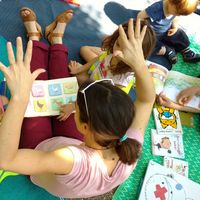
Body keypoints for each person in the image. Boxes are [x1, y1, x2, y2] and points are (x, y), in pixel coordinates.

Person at [0, 10, 155, 199]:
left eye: (77, 105)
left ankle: (35, 38)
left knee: (34, 86)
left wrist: (19, 99)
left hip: (40, 148)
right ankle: (56, 40)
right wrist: (139, 63)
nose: (74, 103)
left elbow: (6, 159)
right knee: (60, 85)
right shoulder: (129, 150)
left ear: (83, 125)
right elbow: (147, 99)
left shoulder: (68, 159)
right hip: (71, 143)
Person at [68, 19, 156, 93]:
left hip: (97, 88)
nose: (116, 53)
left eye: (124, 51)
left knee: (78, 78)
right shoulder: (112, 53)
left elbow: (102, 97)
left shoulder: (122, 81)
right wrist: (80, 69)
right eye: (118, 44)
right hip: (97, 71)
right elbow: (98, 58)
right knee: (85, 50)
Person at [137, 0, 200, 65]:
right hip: (152, 34)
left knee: (180, 34)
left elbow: (176, 18)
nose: (178, 15)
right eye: (176, 13)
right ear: (171, 2)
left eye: (180, 14)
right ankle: (167, 51)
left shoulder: (175, 9)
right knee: (147, 45)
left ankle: (187, 52)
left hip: (166, 31)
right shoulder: (156, 8)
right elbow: (140, 15)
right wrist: (144, 29)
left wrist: (175, 27)